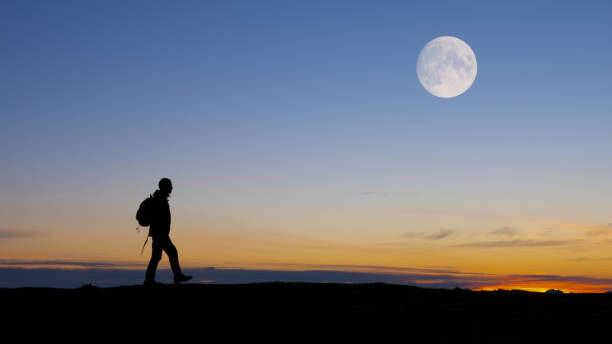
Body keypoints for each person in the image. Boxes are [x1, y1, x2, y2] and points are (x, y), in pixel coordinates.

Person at [144, 178, 192, 285]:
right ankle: (176, 276)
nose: (172, 188)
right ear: (165, 186)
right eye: (170, 185)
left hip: (159, 233)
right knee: (170, 253)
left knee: (157, 256)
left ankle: (150, 280)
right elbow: (160, 218)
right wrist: (162, 231)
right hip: (160, 234)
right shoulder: (160, 199)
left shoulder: (160, 198)